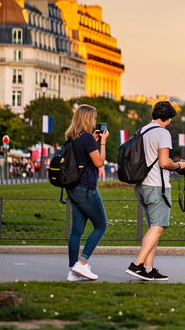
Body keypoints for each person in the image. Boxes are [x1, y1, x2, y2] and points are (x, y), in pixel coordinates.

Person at [126, 101, 185, 282]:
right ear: (168, 118)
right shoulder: (163, 133)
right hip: (157, 186)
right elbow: (164, 162)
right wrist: (179, 165)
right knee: (158, 226)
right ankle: (137, 265)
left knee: (152, 228)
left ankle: (148, 269)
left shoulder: (142, 130)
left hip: (141, 184)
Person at [63, 104, 109, 282]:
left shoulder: (72, 137)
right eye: (94, 118)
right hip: (86, 188)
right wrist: (102, 142)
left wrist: (95, 141)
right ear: (89, 118)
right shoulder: (88, 138)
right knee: (101, 225)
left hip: (73, 187)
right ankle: (81, 264)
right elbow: (98, 162)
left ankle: (72, 271)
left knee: (76, 230)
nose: (96, 121)